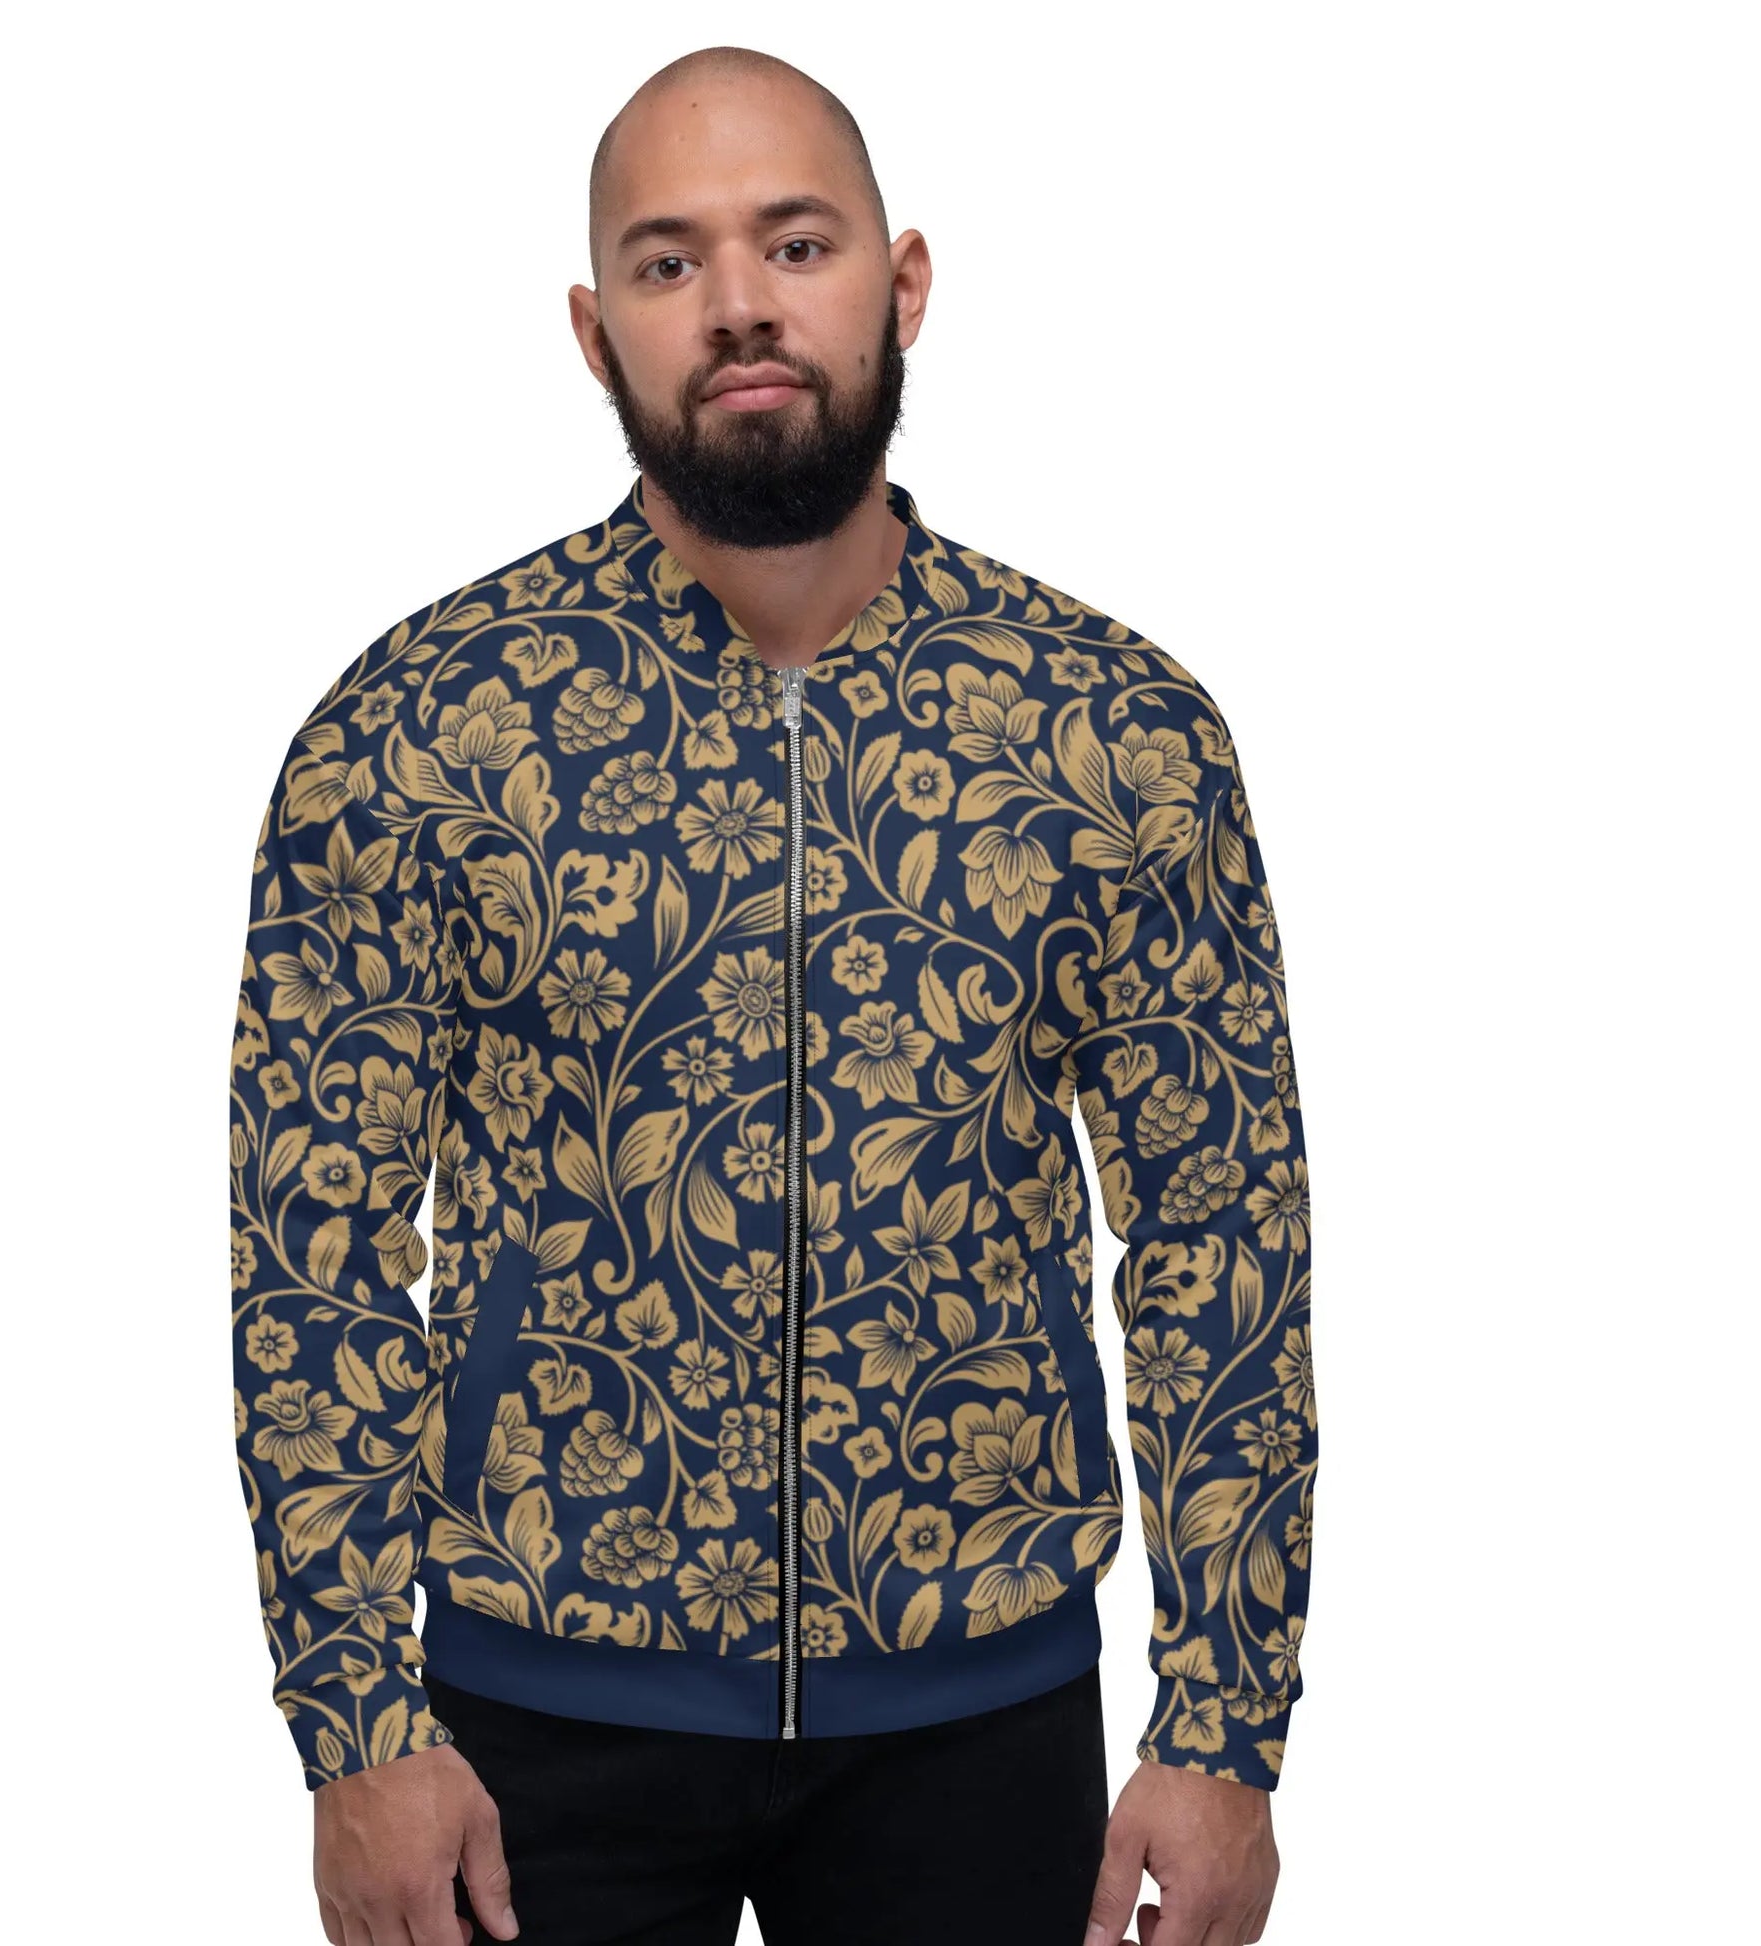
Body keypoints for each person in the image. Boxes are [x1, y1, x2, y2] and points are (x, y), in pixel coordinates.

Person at [227, 42, 1315, 1946]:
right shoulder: (418, 730)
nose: (737, 303)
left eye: (794, 244)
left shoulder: (1110, 731)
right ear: (595, 332)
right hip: (527, 1717)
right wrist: (354, 1724)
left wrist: (1224, 1728)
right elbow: (309, 1242)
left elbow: (1219, 1231)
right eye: (668, 262)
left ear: (902, 284)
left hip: (977, 1708)